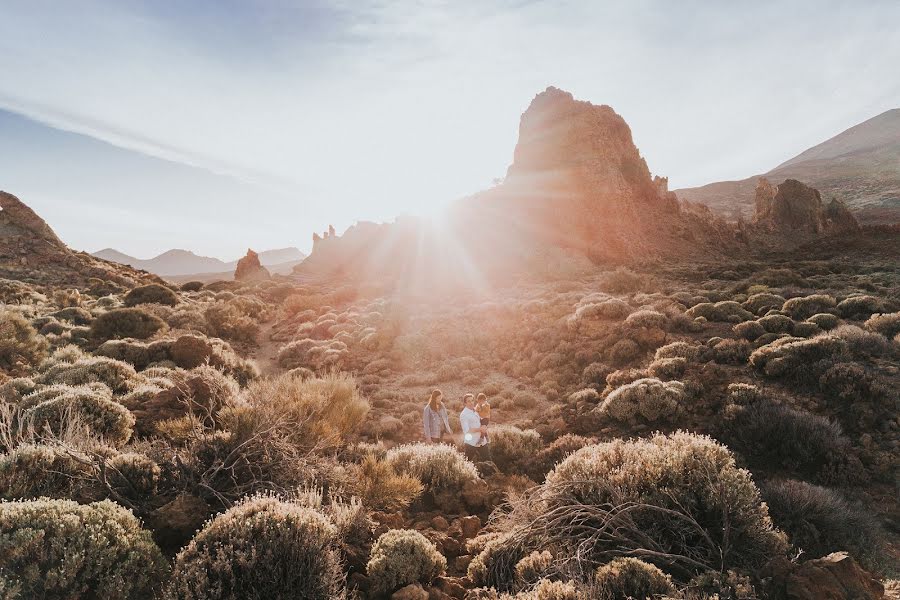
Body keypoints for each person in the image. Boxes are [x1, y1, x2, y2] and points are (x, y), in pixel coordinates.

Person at [459, 393, 488, 461]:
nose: (471, 403)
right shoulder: (464, 415)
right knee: (467, 463)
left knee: (488, 461)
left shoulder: (476, 410)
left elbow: (481, 420)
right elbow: (466, 431)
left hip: (482, 441)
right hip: (471, 442)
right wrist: (480, 429)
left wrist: (484, 426)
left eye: (472, 400)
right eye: (469, 401)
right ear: (465, 403)